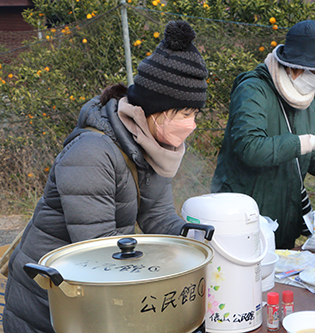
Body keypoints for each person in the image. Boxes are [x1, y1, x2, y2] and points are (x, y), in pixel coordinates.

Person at [3, 20, 208, 333]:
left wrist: (191, 236)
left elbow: (157, 214)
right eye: (185, 114)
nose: (191, 124)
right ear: (156, 110)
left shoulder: (151, 145)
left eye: (195, 114)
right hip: (50, 302)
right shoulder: (92, 153)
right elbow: (100, 248)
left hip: (93, 291)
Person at [211, 20, 315, 249]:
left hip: (284, 220)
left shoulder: (305, 96)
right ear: (293, 65)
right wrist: (308, 141)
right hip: (245, 221)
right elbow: (250, 148)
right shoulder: (253, 89)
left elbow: (310, 157)